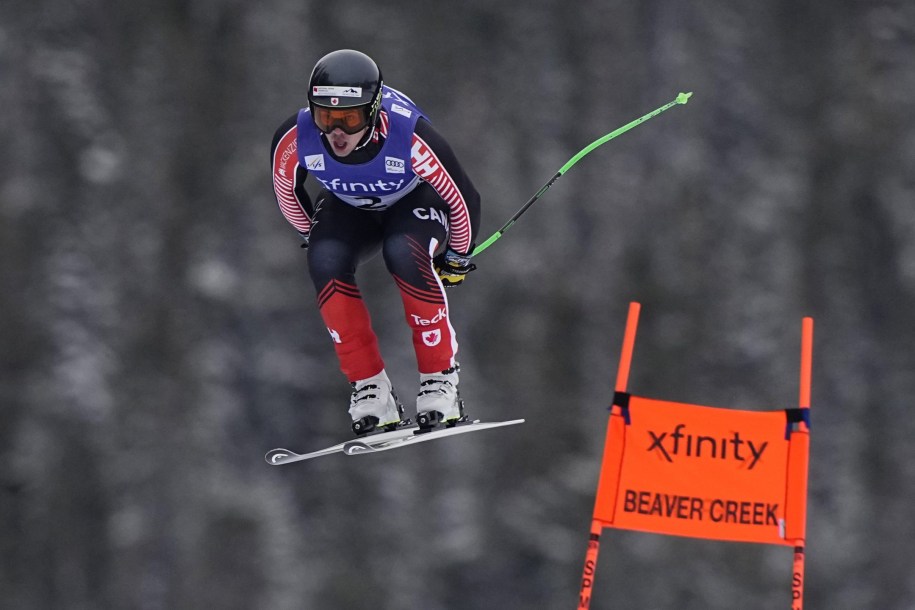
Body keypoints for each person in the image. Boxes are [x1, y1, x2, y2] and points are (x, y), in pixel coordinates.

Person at [270, 49, 481, 436]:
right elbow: (287, 191)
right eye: (325, 118)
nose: (337, 133)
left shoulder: (408, 134)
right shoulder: (295, 137)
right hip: (350, 208)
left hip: (413, 202)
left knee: (402, 252)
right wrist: (312, 235)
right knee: (325, 258)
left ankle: (440, 380)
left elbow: (463, 198)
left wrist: (456, 256)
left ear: (373, 111)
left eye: (349, 120)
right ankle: (371, 389)